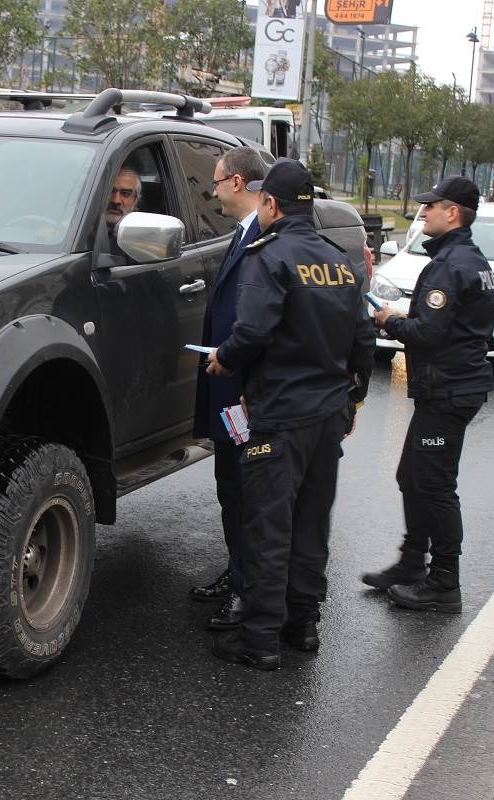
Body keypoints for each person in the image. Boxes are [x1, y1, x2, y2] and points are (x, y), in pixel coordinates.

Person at [205, 159, 375, 670]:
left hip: (279, 416)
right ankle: (302, 626)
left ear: (271, 205)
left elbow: (253, 332)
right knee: (310, 526)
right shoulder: (339, 259)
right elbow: (364, 338)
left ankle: (258, 640)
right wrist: (352, 399)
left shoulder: (268, 256)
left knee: (268, 528)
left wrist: (224, 358)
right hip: (327, 418)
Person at [364, 176, 494, 612]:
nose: (423, 214)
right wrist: (410, 315)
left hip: (449, 389)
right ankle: (410, 564)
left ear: (453, 212)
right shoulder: (470, 260)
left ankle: (444, 582)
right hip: (454, 384)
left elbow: (428, 334)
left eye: (431, 207)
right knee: (413, 476)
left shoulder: (449, 265)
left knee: (435, 485)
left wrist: (387, 320)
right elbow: (449, 322)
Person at [189, 147, 268, 630]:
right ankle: (236, 571)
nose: (212, 191)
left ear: (237, 183)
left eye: (215, 183)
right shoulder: (243, 234)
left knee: (245, 492)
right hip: (228, 388)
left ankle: (246, 588)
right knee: (229, 488)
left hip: (244, 389)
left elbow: (256, 323)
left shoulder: (264, 238)